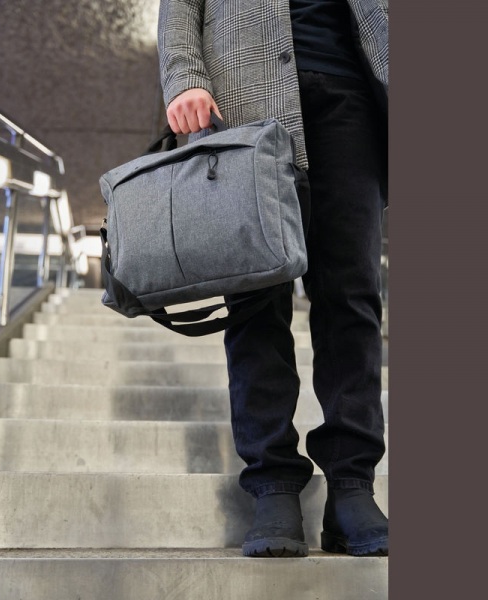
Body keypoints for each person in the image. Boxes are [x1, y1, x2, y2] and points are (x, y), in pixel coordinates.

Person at [157, 0, 389, 557]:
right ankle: (273, 483)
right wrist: (184, 77)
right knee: (255, 297)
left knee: (353, 295)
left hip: (352, 97)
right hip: (243, 99)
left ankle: (352, 485)